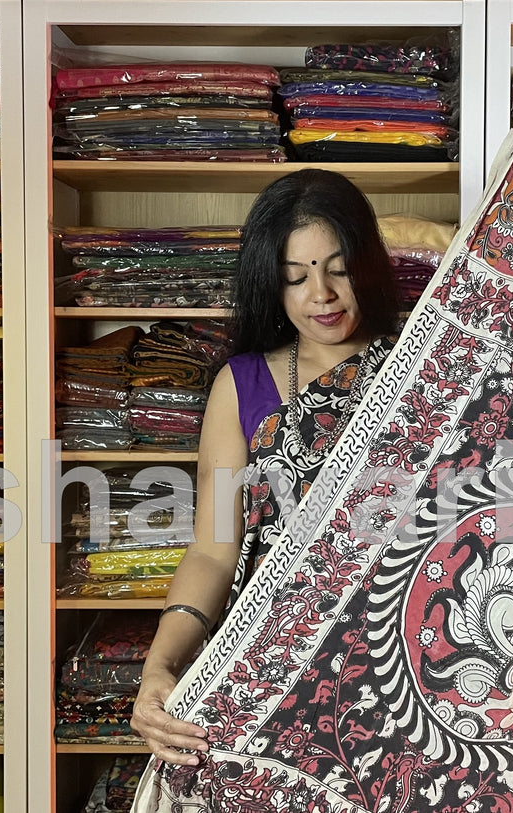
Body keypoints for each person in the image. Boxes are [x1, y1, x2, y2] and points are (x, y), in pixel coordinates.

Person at [132, 168, 400, 768]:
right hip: (275, 669)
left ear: (367, 264)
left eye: (338, 268)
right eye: (294, 277)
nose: (321, 295)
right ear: (270, 285)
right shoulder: (244, 384)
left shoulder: (427, 370)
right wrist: (161, 664)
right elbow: (213, 550)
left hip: (404, 666)